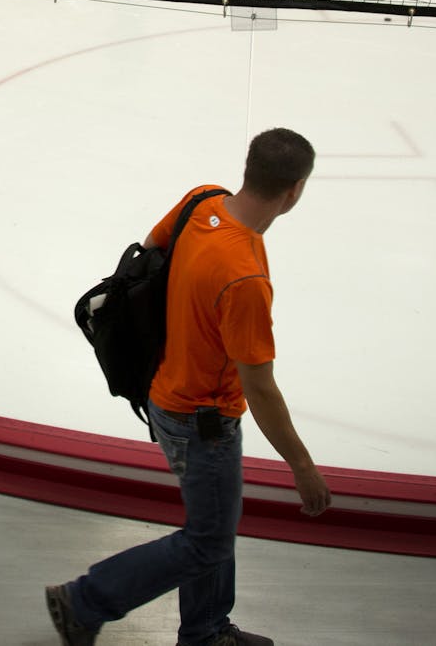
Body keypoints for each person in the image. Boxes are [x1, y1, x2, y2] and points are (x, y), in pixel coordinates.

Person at [45, 127, 331, 646]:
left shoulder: (201, 203)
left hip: (166, 393)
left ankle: (205, 632)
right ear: (295, 190)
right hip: (204, 422)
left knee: (214, 529)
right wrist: (303, 467)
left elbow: (151, 250)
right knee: (207, 540)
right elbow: (260, 387)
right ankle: (83, 600)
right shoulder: (244, 278)